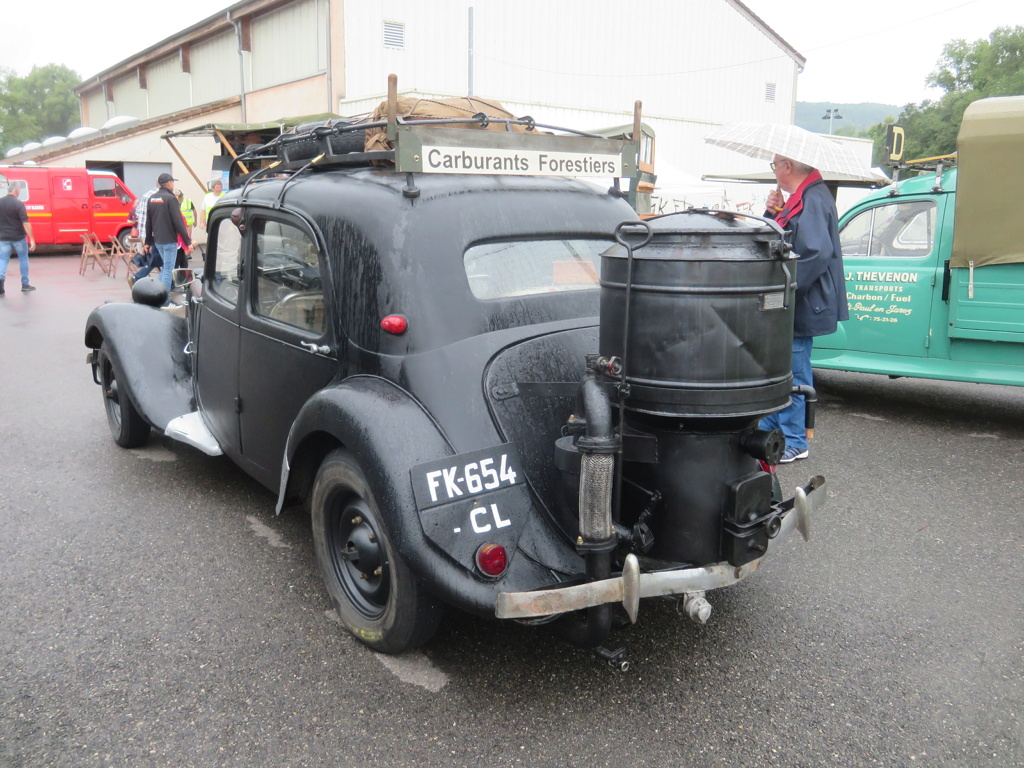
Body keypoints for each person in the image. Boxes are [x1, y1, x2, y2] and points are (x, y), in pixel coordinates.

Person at [760, 155, 848, 463]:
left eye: (775, 165)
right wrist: (773, 212)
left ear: (787, 166)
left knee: (794, 369)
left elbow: (813, 252)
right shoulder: (808, 195)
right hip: (801, 297)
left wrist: (785, 290)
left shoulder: (812, 197)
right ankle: (770, 429)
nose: (774, 172)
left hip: (801, 299)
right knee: (783, 366)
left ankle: (795, 440)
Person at [145, 173, 192, 296]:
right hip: (170, 240)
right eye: (173, 182)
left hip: (158, 240)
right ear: (170, 183)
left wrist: (148, 241)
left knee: (166, 267)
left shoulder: (152, 198)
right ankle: (163, 297)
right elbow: (178, 222)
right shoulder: (171, 199)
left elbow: (148, 221)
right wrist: (188, 242)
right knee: (168, 269)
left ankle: (155, 293)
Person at [0, 183, 37, 294]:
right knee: (23, 259)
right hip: (18, 238)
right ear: (16, 190)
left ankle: (0, 278)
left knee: (3, 259)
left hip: (3, 238)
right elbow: (25, 222)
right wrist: (32, 238)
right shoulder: (18, 204)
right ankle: (25, 284)